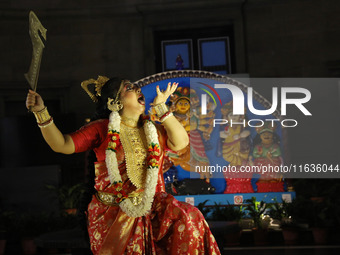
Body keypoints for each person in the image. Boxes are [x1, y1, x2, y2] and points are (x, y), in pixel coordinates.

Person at [26, 76, 221, 255]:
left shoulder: (152, 129)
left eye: (136, 86)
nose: (137, 88)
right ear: (114, 102)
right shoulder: (102, 128)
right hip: (112, 214)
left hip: (152, 210)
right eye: (129, 87)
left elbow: (180, 143)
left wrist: (162, 108)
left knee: (190, 218)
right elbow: (62, 144)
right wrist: (41, 113)